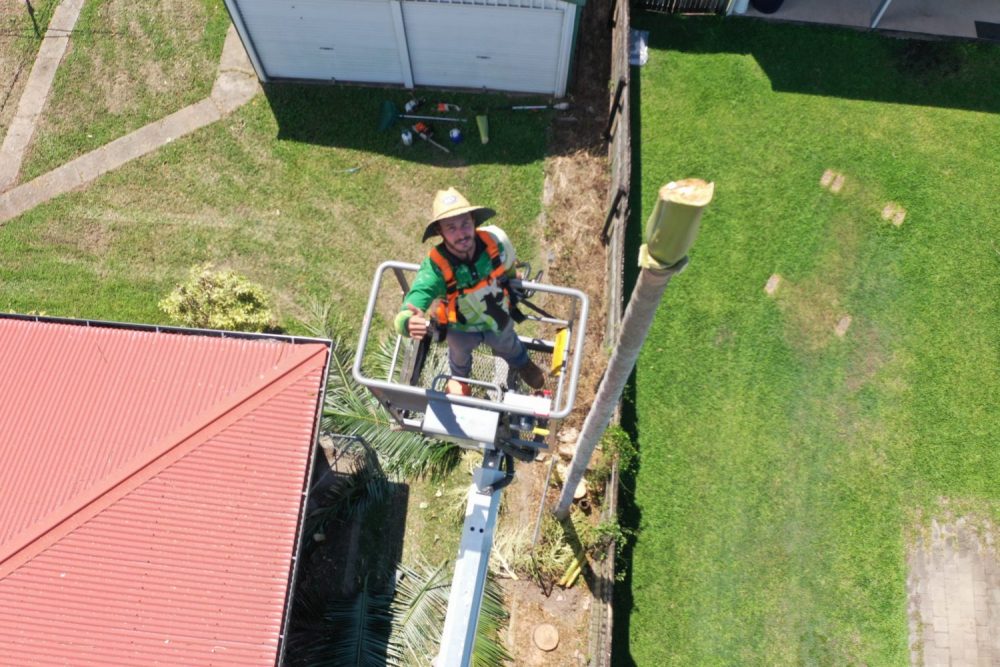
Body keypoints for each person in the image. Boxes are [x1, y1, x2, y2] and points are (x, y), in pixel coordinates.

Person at [394, 187, 546, 396]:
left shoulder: (497, 241)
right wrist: (407, 321)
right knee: (459, 356)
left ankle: (523, 364)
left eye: (465, 223)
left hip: (496, 314)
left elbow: (508, 268)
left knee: (508, 343)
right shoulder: (436, 268)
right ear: (440, 231)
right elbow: (414, 299)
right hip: (459, 326)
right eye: (451, 228)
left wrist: (513, 280)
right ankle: (461, 381)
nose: (461, 234)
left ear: (473, 221)